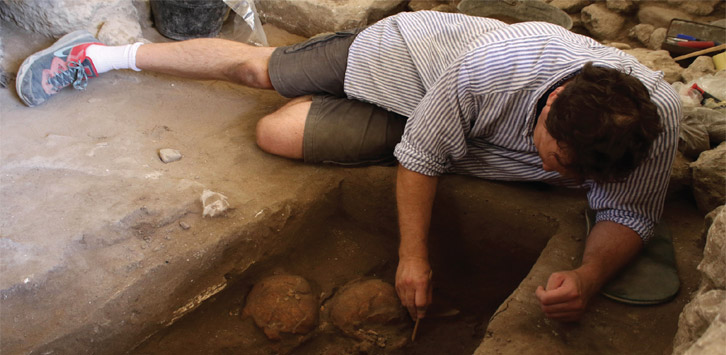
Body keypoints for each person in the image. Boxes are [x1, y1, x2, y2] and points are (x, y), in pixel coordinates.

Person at [16, 11, 681, 323]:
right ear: (554, 102)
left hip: (436, 123)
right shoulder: (499, 66)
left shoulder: (657, 120)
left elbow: (629, 207)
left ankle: (335, 113)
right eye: (557, 162)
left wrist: (591, 274)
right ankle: (107, 57)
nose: (565, 185)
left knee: (278, 135)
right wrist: (412, 257)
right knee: (262, 72)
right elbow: (422, 157)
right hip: (405, 59)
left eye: (578, 178)